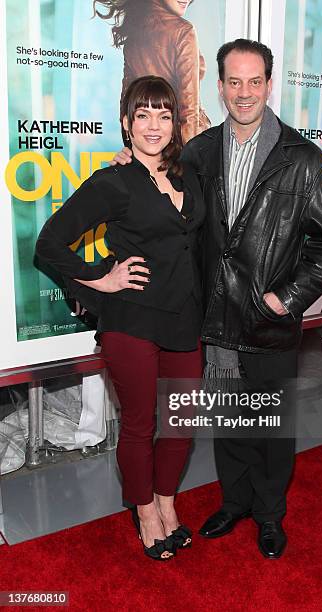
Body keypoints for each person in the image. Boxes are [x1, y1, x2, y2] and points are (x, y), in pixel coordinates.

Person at [113, 39, 322, 559]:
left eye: (254, 81)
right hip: (215, 319)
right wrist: (131, 161)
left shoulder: (302, 159)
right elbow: (168, 208)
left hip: (268, 318)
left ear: (268, 85)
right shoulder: (196, 154)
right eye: (234, 82)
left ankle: (268, 514)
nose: (244, 93)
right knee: (228, 422)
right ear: (219, 88)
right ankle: (235, 501)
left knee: (269, 426)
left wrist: (287, 297)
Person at [36, 76, 205, 561]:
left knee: (180, 424)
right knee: (138, 425)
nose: (154, 126)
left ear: (176, 122)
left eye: (164, 115)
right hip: (131, 321)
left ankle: (168, 501)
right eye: (143, 115)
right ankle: (146, 511)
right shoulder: (113, 180)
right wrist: (99, 279)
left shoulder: (189, 175)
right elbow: (49, 241)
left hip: (184, 318)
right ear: (127, 123)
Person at [93, 0, 210, 143]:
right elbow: (189, 113)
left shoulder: (135, 35)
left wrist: (133, 154)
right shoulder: (183, 31)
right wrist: (193, 161)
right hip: (180, 147)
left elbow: (126, 107)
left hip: (149, 147)